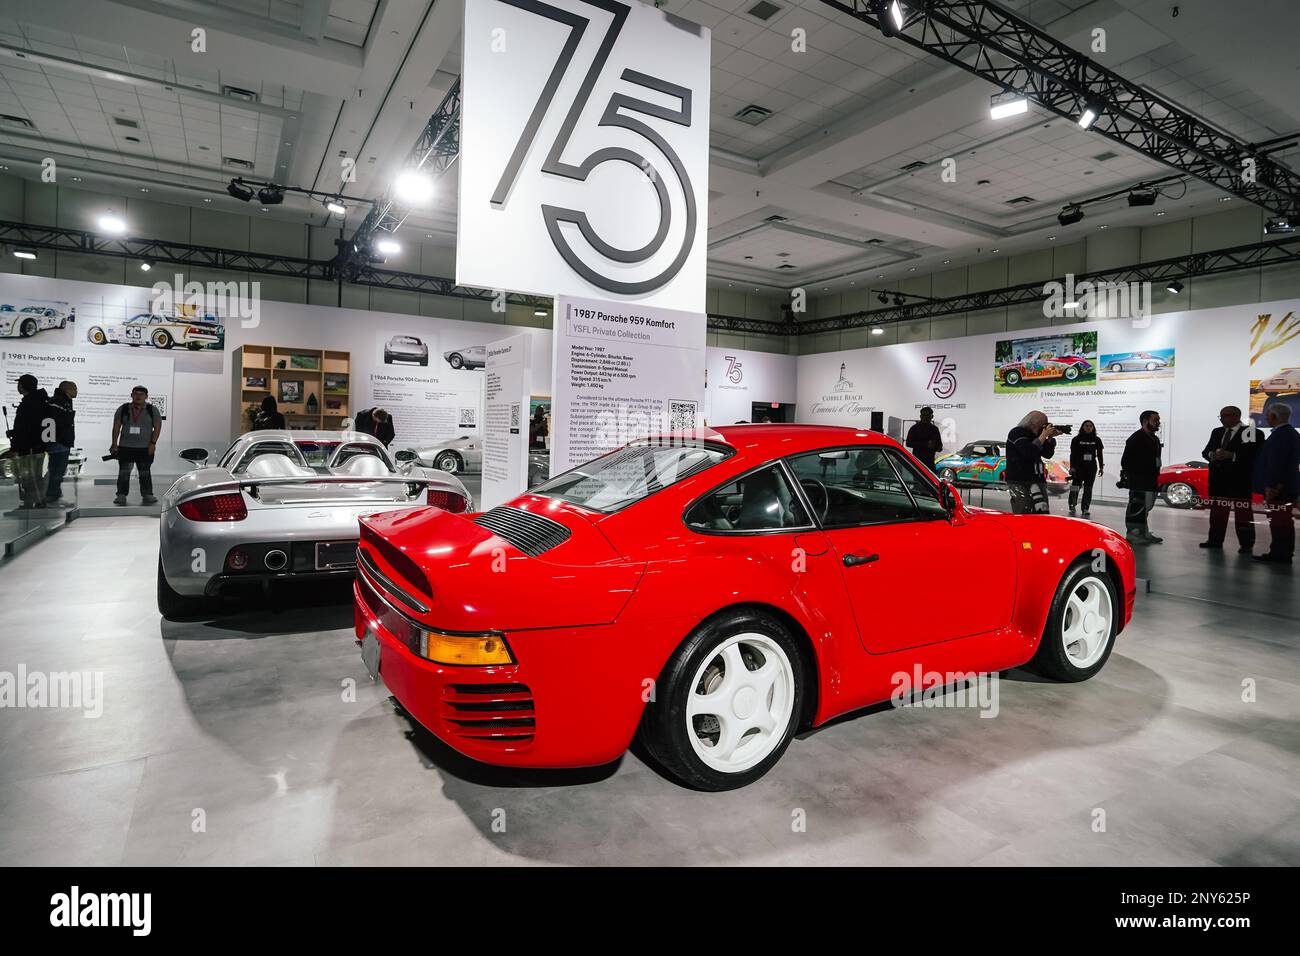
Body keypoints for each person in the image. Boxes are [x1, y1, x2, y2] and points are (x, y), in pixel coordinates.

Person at [1199, 405, 1260, 553]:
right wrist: (1212, 455)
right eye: (1221, 416)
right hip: (1218, 480)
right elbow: (1206, 451)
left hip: (1239, 480)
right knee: (1217, 513)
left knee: (1243, 514)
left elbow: (1251, 454)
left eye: (1225, 416)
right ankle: (1215, 540)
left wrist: (1231, 455)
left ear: (1236, 416)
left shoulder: (1249, 431)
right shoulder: (1217, 432)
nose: (1222, 420)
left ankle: (1246, 544)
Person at [1252, 403, 1299, 564]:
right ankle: (1281, 552)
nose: (1265, 417)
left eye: (1268, 414)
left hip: (1279, 489)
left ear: (1273, 416)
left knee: (1280, 521)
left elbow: (1277, 463)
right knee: (1282, 521)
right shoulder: (1289, 433)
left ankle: (1280, 553)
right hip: (1284, 486)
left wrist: (1273, 485)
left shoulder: (1281, 435)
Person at [110, 385, 163, 506]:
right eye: (136, 394)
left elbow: (158, 427)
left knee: (144, 472)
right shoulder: (123, 408)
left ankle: (147, 494)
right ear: (131, 395)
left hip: (144, 448)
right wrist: (114, 443)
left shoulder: (152, 409)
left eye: (141, 394)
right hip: (125, 447)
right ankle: (121, 495)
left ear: (146, 396)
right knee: (124, 472)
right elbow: (117, 426)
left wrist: (153, 443)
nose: (138, 396)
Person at [1120, 409, 1163, 545]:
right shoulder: (1136, 438)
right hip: (1139, 480)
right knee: (1136, 506)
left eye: (1158, 420)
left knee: (1146, 507)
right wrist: (1135, 475)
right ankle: (1133, 534)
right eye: (1155, 420)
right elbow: (1125, 461)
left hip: (1151, 479)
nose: (1158, 423)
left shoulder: (1154, 439)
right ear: (1145, 421)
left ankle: (1143, 532)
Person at [6, 374, 49, 509]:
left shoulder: (29, 403)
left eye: (19, 384)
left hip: (29, 447)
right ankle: (36, 501)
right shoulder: (40, 401)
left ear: (23, 386)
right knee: (34, 475)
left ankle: (33, 503)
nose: (18, 387)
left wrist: (15, 447)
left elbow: (24, 428)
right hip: (37, 446)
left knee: (28, 476)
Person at [1005, 410, 1059, 514]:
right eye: (1043, 424)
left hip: (1037, 479)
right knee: (1023, 511)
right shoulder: (1016, 432)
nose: (1044, 427)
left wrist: (1050, 438)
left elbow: (1047, 454)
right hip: (1020, 481)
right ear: (1033, 423)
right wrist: (1043, 435)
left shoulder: (1036, 435)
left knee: (1042, 511)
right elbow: (1028, 452)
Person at [44, 380, 78, 506]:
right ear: (67, 390)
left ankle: (54, 495)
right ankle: (52, 496)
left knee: (57, 470)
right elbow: (52, 423)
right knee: (57, 471)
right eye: (74, 388)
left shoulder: (62, 402)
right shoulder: (58, 403)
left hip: (61, 442)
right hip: (59, 443)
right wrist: (55, 440)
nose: (76, 391)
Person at [1068, 419, 1104, 517]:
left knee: (1088, 488)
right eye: (1086, 426)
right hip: (1078, 467)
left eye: (1090, 426)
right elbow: (1073, 454)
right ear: (1083, 427)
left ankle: (1085, 508)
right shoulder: (1076, 439)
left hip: (1091, 467)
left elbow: (1100, 454)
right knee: (1075, 486)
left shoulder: (1097, 440)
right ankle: (1072, 504)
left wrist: (1101, 467)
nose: (1088, 427)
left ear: (1093, 428)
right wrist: (1072, 467)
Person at [905, 407, 943, 473]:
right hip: (918, 461)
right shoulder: (915, 428)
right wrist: (925, 444)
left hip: (930, 462)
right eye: (924, 415)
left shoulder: (934, 429)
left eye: (928, 415)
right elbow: (908, 443)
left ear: (932, 416)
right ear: (920, 416)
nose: (926, 417)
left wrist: (937, 447)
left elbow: (939, 445)